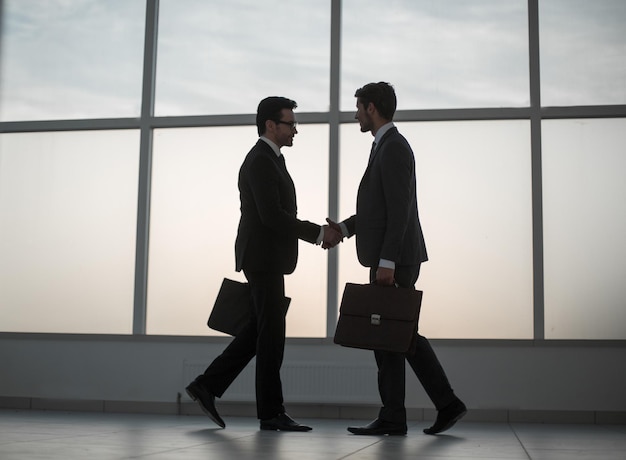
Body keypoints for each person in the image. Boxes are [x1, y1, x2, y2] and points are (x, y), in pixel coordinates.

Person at [186, 96, 342, 432]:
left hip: (266, 257)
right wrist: (318, 233)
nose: (295, 130)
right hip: (263, 258)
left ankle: (207, 386)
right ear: (270, 125)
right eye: (290, 123)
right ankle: (270, 413)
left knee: (261, 331)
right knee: (271, 336)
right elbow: (273, 217)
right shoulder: (260, 161)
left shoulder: (271, 160)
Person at [326, 82, 467, 436]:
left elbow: (400, 209)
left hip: (396, 259)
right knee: (397, 336)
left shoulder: (392, 148)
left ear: (372, 108)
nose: (355, 114)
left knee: (392, 337)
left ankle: (404, 413)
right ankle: (435, 407)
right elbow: (379, 209)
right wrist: (344, 228)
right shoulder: (385, 146)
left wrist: (387, 261)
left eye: (358, 107)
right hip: (395, 255)